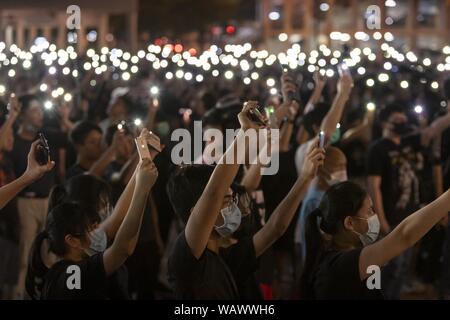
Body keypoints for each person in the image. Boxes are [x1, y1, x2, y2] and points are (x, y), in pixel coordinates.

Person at [166, 101, 325, 299]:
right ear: (196, 211)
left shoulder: (227, 258)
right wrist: (245, 133)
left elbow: (275, 229)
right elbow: (214, 191)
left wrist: (305, 178)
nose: (233, 206)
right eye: (225, 202)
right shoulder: (186, 259)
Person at [26, 157, 158, 299]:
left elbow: (119, 216)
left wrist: (140, 167)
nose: (98, 228)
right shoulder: (71, 274)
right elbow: (123, 249)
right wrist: (142, 189)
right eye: (91, 227)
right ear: (72, 241)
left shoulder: (75, 262)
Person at [300, 180, 450, 300]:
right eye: (369, 211)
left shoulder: (351, 253)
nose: (374, 216)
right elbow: (405, 235)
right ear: (349, 223)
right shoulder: (340, 265)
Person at [366, 103, 450, 298]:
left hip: (410, 214)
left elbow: (433, 129)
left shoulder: (408, 142)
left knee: (402, 268)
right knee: (387, 267)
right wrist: (381, 220)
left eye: (403, 120)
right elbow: (374, 186)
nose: (401, 124)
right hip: (390, 215)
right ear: (384, 122)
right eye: (397, 121)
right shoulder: (377, 149)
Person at [9, 94, 57, 299]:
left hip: (46, 200)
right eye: (35, 110)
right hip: (25, 201)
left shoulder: (44, 137)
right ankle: (18, 293)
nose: (41, 114)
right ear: (23, 114)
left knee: (49, 251)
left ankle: (49, 292)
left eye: (41, 110)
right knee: (26, 252)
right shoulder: (14, 140)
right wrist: (11, 117)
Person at [294, 146, 347, 263]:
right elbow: (325, 240)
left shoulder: (327, 195)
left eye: (345, 166)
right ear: (323, 168)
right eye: (338, 166)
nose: (343, 171)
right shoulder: (316, 201)